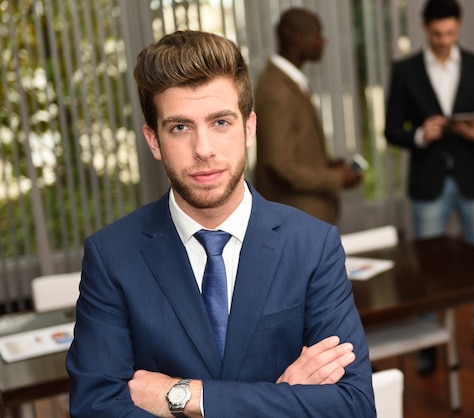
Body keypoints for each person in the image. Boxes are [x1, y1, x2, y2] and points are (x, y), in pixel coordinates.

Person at [65, 30, 375, 417]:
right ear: (154, 141)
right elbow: (97, 409)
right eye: (180, 127)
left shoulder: (313, 245)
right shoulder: (111, 256)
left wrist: (188, 397)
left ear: (249, 128)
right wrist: (280, 399)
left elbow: (353, 406)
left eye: (221, 122)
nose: (204, 149)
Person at [384, 0, 474, 375]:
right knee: (428, 264)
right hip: (428, 180)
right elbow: (392, 129)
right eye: (438, 34)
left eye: (451, 33)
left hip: (473, 177)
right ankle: (428, 340)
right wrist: (420, 135)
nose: (444, 40)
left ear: (459, 27)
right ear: (425, 27)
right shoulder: (404, 70)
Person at [253, 8, 362, 225]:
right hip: (296, 217)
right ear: (298, 39)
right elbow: (280, 165)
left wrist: (330, 164)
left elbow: (296, 149)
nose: (323, 41)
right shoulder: (277, 89)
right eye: (318, 35)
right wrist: (339, 178)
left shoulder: (290, 81)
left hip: (308, 214)